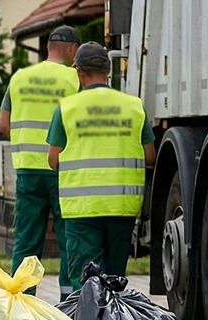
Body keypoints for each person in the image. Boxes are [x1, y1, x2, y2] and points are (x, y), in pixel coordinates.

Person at [47, 42, 156, 284]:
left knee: (87, 281)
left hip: (82, 209)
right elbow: (150, 156)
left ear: (79, 72)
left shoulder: (67, 108)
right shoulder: (134, 106)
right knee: (115, 280)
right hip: (122, 207)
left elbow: (53, 160)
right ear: (107, 71)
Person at [0, 25, 81, 296]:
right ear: (71, 49)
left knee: (26, 240)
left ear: (48, 48)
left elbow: (2, 124)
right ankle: (69, 299)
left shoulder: (20, 77)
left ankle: (21, 299)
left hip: (28, 171)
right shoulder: (74, 78)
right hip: (62, 169)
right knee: (68, 237)